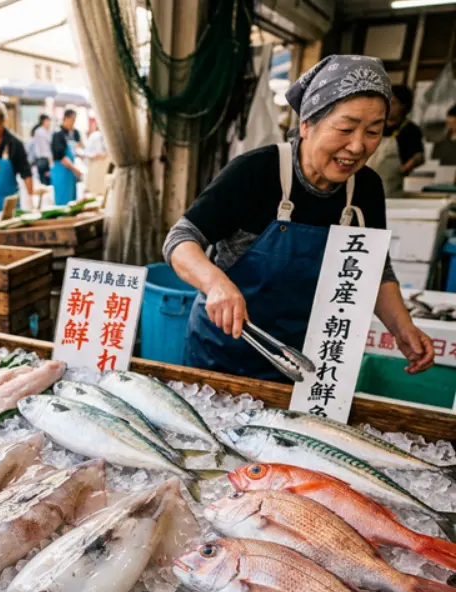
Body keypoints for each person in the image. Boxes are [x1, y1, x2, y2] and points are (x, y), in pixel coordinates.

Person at [164, 55, 434, 383]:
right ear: (306, 124)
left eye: (374, 131)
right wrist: (216, 284)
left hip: (304, 362)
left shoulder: (366, 188)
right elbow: (180, 239)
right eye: (346, 129)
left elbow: (374, 270)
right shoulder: (255, 171)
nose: (358, 146)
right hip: (223, 354)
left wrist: (403, 328)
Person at [366, 84, 424, 198]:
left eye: (393, 103)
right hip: (364, 182)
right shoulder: (375, 126)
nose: (388, 107)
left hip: (390, 188)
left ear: (403, 106)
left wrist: (405, 168)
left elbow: (418, 156)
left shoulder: (410, 130)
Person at [51, 108, 82, 205]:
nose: (73, 123)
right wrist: (74, 169)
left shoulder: (72, 133)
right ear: (66, 118)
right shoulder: (58, 134)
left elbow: (77, 149)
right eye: (72, 120)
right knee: (63, 202)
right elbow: (61, 157)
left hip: (70, 174)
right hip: (62, 172)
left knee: (72, 202)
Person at [31, 114, 52, 186]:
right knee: (45, 182)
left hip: (44, 159)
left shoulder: (45, 131)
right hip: (43, 160)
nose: (49, 123)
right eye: (48, 121)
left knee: (46, 181)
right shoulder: (40, 132)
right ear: (43, 121)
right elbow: (45, 149)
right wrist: (50, 161)